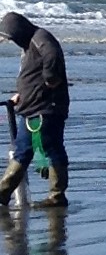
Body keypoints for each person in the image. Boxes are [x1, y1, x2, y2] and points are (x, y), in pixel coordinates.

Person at [0, 12, 69, 207]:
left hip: (46, 108)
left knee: (51, 148)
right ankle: (3, 193)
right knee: (23, 149)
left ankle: (57, 196)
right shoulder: (29, 43)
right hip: (31, 107)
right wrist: (21, 94)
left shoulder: (41, 39)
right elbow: (32, 75)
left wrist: (50, 79)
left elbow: (52, 57)